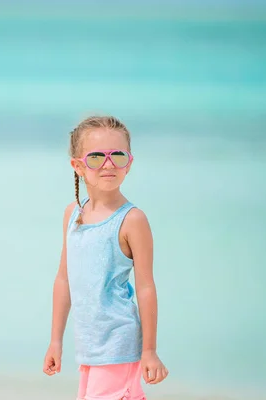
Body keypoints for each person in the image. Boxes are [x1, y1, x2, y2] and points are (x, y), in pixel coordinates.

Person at [43, 116, 168, 400]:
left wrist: (149, 351)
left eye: (118, 155)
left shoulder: (132, 220)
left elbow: (146, 287)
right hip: (89, 350)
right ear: (78, 166)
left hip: (119, 346)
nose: (109, 164)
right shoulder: (72, 215)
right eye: (97, 157)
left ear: (129, 163)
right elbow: (64, 280)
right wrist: (55, 341)